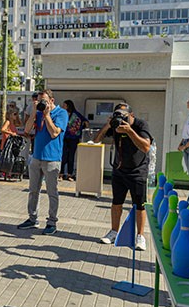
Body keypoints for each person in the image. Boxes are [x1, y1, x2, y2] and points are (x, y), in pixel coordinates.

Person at [94, 103, 152, 251]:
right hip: (120, 169)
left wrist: (130, 131)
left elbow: (146, 147)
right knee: (116, 202)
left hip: (138, 170)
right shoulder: (115, 125)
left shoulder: (140, 125)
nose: (121, 118)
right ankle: (114, 231)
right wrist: (107, 126)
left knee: (139, 204)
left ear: (131, 115)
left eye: (124, 116)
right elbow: (96, 140)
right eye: (117, 115)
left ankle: (140, 236)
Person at [18, 89, 68, 235]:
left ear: (51, 100)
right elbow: (27, 130)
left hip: (52, 158)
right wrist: (34, 112)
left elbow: (54, 133)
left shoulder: (61, 113)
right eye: (39, 101)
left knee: (52, 192)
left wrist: (46, 116)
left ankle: (52, 222)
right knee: (33, 190)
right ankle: (32, 218)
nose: (41, 103)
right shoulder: (38, 113)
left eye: (44, 100)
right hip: (36, 156)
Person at [60, 100, 89, 181]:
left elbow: (86, 121)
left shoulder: (76, 114)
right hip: (65, 137)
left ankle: (69, 174)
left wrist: (83, 129)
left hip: (73, 138)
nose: (63, 107)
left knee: (71, 156)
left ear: (68, 106)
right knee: (64, 156)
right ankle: (61, 174)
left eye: (64, 105)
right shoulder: (63, 114)